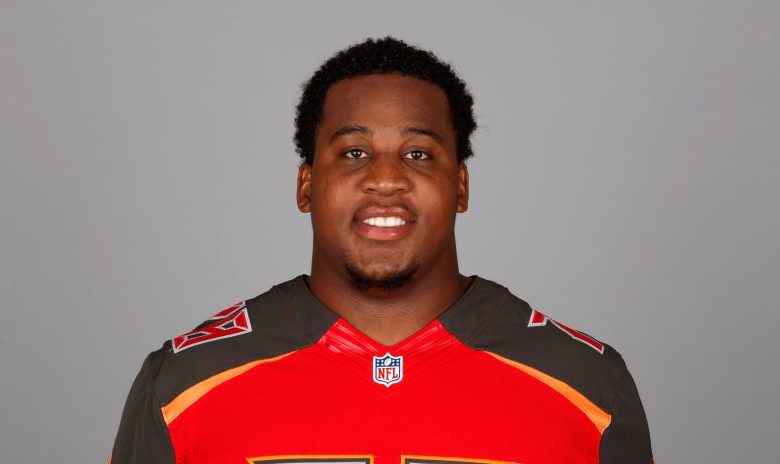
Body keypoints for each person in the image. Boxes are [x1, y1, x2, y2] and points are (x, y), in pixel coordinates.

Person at [111, 37, 653, 464]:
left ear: (461, 186)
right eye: (354, 152)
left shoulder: (587, 387)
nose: (386, 179)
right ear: (306, 185)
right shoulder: (182, 386)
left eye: (418, 153)